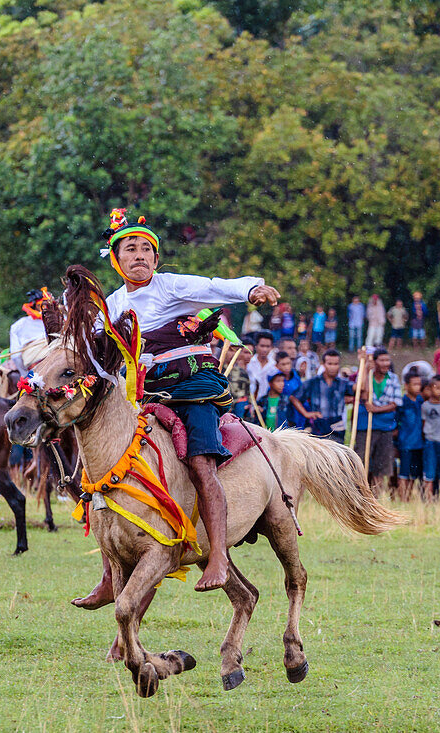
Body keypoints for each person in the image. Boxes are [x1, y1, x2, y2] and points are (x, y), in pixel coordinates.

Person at [89, 208, 280, 597]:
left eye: (147, 249)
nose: (139, 255)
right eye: (130, 249)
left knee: (200, 463)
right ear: (116, 258)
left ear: (156, 260)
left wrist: (251, 291)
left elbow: (214, 287)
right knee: (101, 468)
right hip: (143, 394)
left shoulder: (171, 286)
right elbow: (95, 353)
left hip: (194, 387)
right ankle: (110, 574)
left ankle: (219, 558)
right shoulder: (108, 306)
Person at [353, 349, 401, 496]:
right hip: (365, 426)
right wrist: (366, 369)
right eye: (382, 360)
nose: (386, 363)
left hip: (385, 428)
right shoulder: (364, 376)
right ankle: (359, 496)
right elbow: (361, 393)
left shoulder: (393, 378)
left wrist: (376, 409)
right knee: (361, 463)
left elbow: (396, 403)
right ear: (374, 361)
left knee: (381, 466)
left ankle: (376, 498)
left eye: (387, 360)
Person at [296, 349, 353, 442]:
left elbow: (358, 388)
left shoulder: (343, 383)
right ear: (323, 364)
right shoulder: (313, 382)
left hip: (337, 427)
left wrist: (366, 366)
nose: (333, 367)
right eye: (330, 364)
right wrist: (306, 413)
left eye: (336, 364)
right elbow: (294, 398)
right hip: (318, 426)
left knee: (336, 453)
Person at [393, 369, 423, 500]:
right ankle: (403, 498)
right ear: (406, 386)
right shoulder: (402, 402)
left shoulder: (421, 400)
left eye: (419, 384)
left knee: (414, 473)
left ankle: (409, 497)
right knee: (404, 472)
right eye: (414, 384)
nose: (418, 387)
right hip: (406, 443)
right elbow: (396, 421)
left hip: (419, 443)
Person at [421, 375, 440, 497]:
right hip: (430, 441)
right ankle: (428, 497)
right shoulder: (425, 406)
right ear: (429, 388)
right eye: (436, 388)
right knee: (430, 470)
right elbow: (423, 423)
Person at [246, 331, 276, 401]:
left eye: (268, 346)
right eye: (262, 346)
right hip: (249, 402)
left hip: (266, 403)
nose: (265, 350)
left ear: (271, 347)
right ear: (256, 346)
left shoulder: (274, 366)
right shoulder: (249, 363)